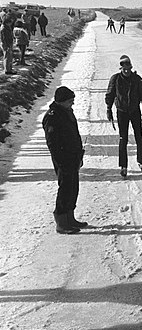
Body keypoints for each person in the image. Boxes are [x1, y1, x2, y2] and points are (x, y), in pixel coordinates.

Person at [43, 86, 87, 234]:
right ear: (61, 101)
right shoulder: (52, 116)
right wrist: (61, 161)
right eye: (70, 101)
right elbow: (52, 143)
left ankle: (70, 217)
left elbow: (74, 134)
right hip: (63, 159)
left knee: (73, 188)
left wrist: (79, 154)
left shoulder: (66, 111)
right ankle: (61, 222)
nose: (72, 104)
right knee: (65, 189)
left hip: (73, 157)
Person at [105, 55, 142, 177]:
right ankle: (123, 165)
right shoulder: (115, 79)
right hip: (122, 111)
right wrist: (108, 109)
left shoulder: (137, 79)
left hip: (134, 110)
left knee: (139, 137)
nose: (126, 71)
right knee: (123, 138)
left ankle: (141, 161)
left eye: (128, 68)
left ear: (131, 68)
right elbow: (110, 94)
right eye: (124, 69)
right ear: (121, 69)